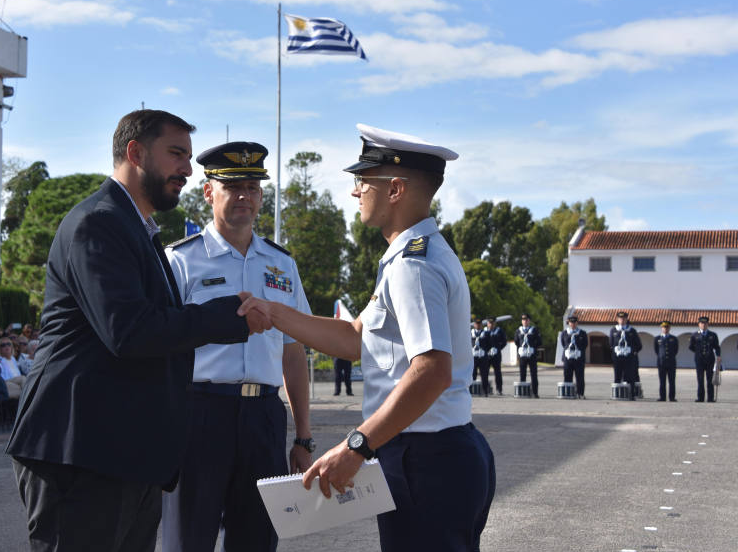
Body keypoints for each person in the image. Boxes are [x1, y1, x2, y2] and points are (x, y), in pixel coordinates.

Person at [5, 109, 270, 552]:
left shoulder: (135, 227)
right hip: (84, 450)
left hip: (123, 452)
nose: (187, 168)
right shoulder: (99, 222)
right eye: (176, 154)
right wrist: (229, 316)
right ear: (135, 152)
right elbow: (129, 330)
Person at [238, 124, 495, 551]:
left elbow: (431, 371)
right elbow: (357, 339)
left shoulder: (415, 266)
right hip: (433, 451)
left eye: (362, 181)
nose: (356, 192)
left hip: (425, 456)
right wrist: (276, 312)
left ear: (395, 188)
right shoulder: (410, 255)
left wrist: (357, 445)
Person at [161, 141, 314, 552]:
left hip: (263, 416)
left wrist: (303, 438)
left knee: (257, 541)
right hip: (200, 413)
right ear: (209, 192)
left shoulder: (282, 264)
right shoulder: (180, 261)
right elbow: (161, 343)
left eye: (253, 186)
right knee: (188, 539)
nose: (245, 195)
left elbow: (293, 350)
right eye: (233, 186)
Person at [609, 312, 641, 401]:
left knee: (629, 376)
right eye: (620, 318)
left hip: (629, 358)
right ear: (617, 319)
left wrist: (632, 353)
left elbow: (638, 344)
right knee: (617, 376)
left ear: (627, 319)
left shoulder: (632, 331)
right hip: (618, 358)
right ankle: (617, 394)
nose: (622, 320)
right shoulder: (613, 330)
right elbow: (611, 343)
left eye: (624, 318)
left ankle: (631, 395)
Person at [688, 316, 719, 403]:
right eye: (701, 323)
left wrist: (718, 355)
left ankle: (710, 398)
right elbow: (690, 346)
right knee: (700, 379)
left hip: (710, 359)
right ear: (699, 324)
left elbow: (717, 347)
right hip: (699, 360)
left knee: (710, 379)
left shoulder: (713, 335)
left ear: (708, 324)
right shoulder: (694, 335)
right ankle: (700, 397)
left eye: (705, 323)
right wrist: (698, 352)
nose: (703, 325)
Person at [559, 316, 588, 398]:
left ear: (577, 323)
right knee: (567, 376)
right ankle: (568, 392)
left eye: (574, 322)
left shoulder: (582, 333)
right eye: (571, 322)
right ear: (569, 323)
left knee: (580, 377)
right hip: (568, 359)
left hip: (579, 359)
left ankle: (580, 393)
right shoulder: (564, 333)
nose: (572, 324)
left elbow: (585, 345)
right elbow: (563, 344)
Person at [515, 314, 541, 398]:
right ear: (522, 321)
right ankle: (523, 391)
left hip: (532, 355)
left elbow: (539, 341)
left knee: (534, 374)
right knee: (522, 373)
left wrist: (533, 348)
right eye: (523, 320)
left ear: (529, 321)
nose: (525, 321)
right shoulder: (518, 331)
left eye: (527, 320)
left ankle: (535, 392)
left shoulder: (534, 330)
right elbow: (516, 342)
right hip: (522, 355)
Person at [654, 321, 678, 402]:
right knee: (662, 381)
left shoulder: (674, 338)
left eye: (667, 327)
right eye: (664, 327)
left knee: (672, 381)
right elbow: (656, 350)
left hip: (671, 362)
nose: (666, 329)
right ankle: (662, 397)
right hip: (662, 363)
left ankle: (672, 397)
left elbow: (676, 350)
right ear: (662, 328)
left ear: (669, 328)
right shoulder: (657, 338)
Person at [485, 317, 506, 395]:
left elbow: (504, 342)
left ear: (495, 323)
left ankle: (499, 389)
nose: (491, 325)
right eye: (489, 323)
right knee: (485, 373)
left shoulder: (499, 331)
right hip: (486, 355)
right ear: (487, 323)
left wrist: (498, 348)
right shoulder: (484, 331)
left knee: (497, 372)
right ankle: (486, 388)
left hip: (496, 355)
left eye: (492, 323)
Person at [470, 317, 490, 396]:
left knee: (484, 375)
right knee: (472, 374)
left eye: (479, 324)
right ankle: (472, 390)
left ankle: (485, 391)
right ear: (474, 325)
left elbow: (489, 344)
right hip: (473, 357)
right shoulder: (470, 333)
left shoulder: (486, 333)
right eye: (476, 324)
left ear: (481, 325)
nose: (478, 325)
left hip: (482, 357)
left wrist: (484, 351)